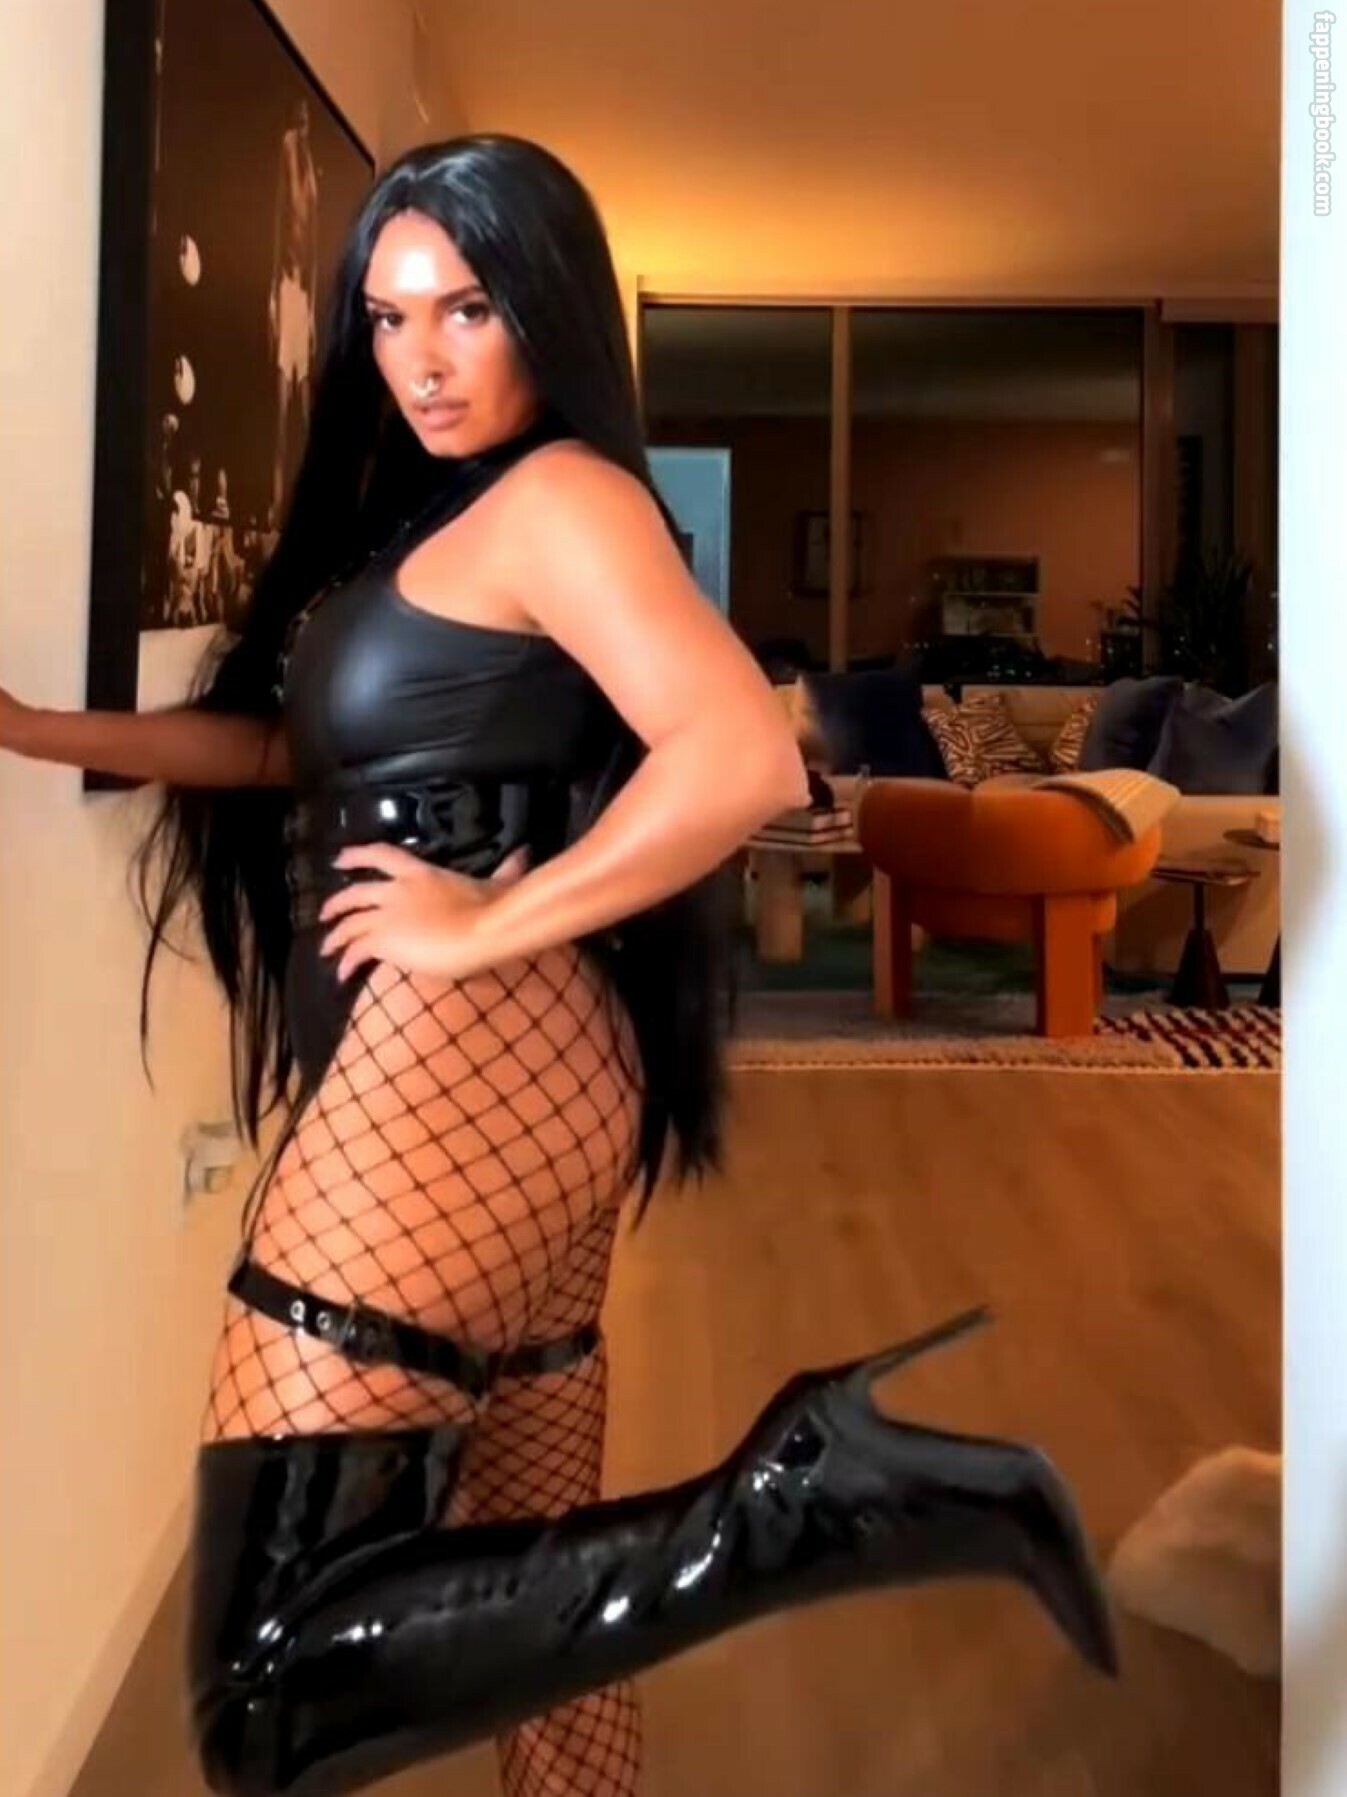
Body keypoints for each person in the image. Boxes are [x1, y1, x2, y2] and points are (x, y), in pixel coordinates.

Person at [0, 136, 1117, 1797]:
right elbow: (295, 753)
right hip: (523, 1082)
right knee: (538, 1581)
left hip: (458, 1066)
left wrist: (474, 923)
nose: (424, 358)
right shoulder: (450, 515)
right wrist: (37, 731)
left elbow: (736, 755)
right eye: (389, 319)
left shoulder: (561, 500)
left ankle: (798, 1503)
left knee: (269, 1684)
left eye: (467, 308)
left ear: (547, 306)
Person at [269, 96, 320, 525]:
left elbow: (315, 246)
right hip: (286, 286)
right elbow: (279, 222)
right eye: (300, 118)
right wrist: (272, 294)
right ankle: (275, 501)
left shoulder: (311, 169)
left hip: (304, 294)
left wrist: (314, 308)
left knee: (303, 409)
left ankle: (303, 506)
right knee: (282, 407)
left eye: (307, 120)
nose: (304, 125)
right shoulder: (288, 148)